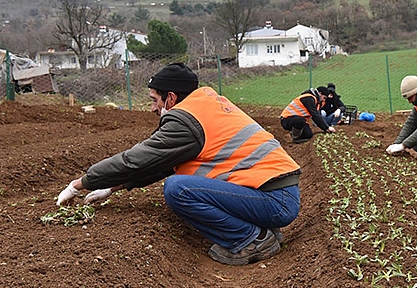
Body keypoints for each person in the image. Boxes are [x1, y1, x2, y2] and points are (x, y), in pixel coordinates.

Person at [56, 62, 302, 266]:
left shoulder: (185, 121)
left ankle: (251, 240)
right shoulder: (205, 106)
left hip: (274, 201)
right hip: (277, 195)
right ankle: (262, 230)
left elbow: (136, 159)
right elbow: (163, 163)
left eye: (154, 100)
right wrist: (111, 188)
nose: (152, 108)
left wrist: (80, 184)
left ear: (170, 98)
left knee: (178, 189)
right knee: (182, 182)